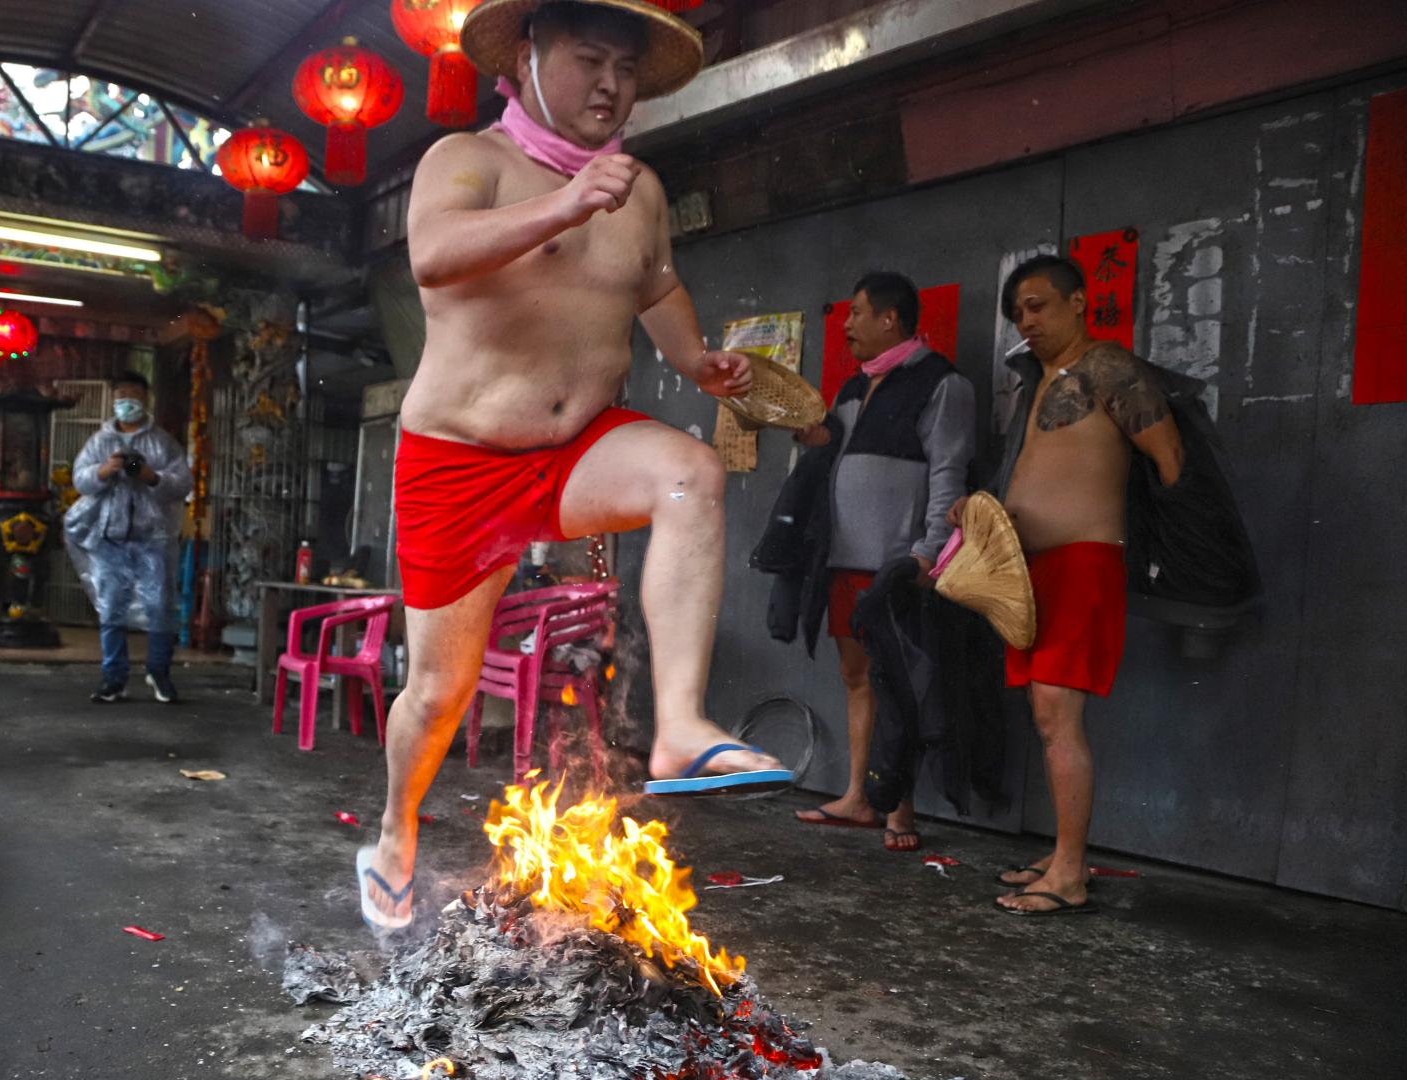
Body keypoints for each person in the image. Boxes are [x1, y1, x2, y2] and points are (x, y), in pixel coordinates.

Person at [358, 0, 786, 931]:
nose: (610, 86)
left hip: (576, 448)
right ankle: (395, 829)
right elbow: (431, 256)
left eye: (625, 71)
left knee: (692, 473)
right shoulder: (466, 161)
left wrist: (694, 358)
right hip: (459, 461)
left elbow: (657, 281)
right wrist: (565, 199)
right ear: (527, 56)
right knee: (438, 694)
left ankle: (677, 729)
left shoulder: (642, 188)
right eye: (589, 60)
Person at [976, 255, 1183, 916]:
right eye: (1018, 313)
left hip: (1085, 560)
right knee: (1046, 713)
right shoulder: (1041, 380)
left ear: (1078, 301)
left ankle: (1068, 872)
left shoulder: (1111, 367)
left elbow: (1172, 464)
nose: (1026, 321)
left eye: (1038, 306)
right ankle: (1064, 853)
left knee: (1055, 713)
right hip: (1030, 571)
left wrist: (1157, 557)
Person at [790, 272, 975, 851]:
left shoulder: (941, 383)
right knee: (856, 677)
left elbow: (949, 471)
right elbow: (839, 457)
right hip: (843, 557)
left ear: (890, 319)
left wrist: (926, 554)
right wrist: (816, 441)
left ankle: (900, 809)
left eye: (857, 313)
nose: (845, 325)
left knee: (901, 684)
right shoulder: (852, 388)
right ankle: (859, 796)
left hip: (896, 563)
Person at [66, 371, 190, 704]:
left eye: (133, 395)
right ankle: (113, 678)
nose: (126, 403)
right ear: (112, 400)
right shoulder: (100, 441)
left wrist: (151, 477)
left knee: (159, 606)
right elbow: (81, 480)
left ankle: (159, 672)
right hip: (110, 538)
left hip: (154, 538)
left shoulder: (163, 442)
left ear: (146, 398)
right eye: (120, 396)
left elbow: (182, 484)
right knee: (111, 608)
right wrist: (104, 471)